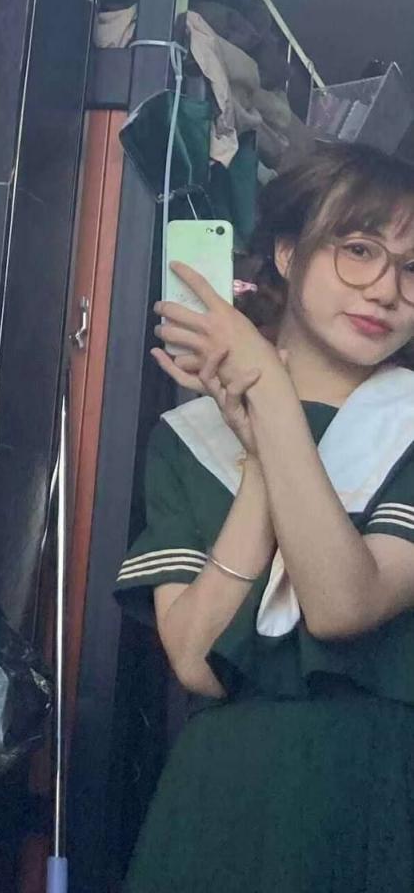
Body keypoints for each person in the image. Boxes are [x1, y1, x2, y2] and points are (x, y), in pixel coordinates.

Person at [114, 142, 414, 893]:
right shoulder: (187, 442)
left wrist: (271, 394)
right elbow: (197, 664)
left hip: (378, 804)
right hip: (217, 809)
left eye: (413, 269)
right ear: (287, 252)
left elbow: (342, 605)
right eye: (358, 249)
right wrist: (258, 453)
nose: (386, 289)